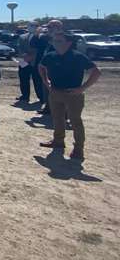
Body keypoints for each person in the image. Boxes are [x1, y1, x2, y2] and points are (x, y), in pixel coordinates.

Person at [38, 32, 101, 161]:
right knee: (57, 118)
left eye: (59, 41)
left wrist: (82, 88)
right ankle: (58, 141)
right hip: (55, 92)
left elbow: (96, 72)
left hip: (73, 94)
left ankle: (78, 149)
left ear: (69, 43)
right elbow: (41, 67)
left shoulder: (78, 57)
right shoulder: (50, 56)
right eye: (54, 41)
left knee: (75, 121)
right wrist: (46, 81)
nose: (55, 44)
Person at [36, 20, 64, 114]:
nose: (48, 29)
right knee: (46, 87)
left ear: (58, 27)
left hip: (59, 68)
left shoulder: (65, 37)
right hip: (47, 67)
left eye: (50, 27)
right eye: (48, 27)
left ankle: (60, 111)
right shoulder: (48, 37)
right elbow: (37, 41)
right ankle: (48, 107)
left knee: (57, 89)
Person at [16, 23, 44, 103]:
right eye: (29, 26)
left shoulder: (42, 36)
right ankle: (25, 96)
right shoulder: (22, 36)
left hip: (36, 62)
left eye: (33, 26)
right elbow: (20, 47)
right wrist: (24, 55)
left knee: (37, 80)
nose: (31, 27)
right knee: (23, 79)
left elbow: (40, 49)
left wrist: (32, 56)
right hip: (24, 61)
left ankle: (41, 97)